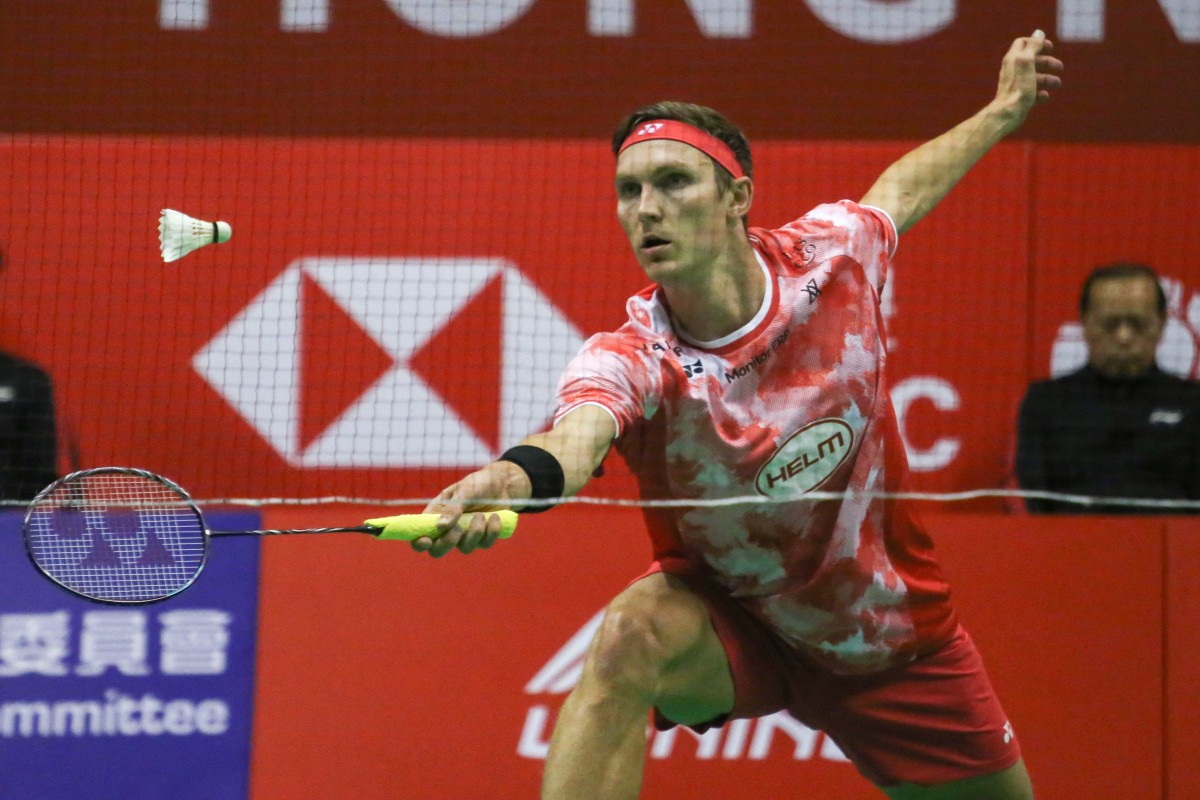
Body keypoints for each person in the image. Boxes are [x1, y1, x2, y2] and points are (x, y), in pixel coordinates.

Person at [411, 31, 1063, 799]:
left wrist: (1004, 109)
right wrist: (507, 481)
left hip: (887, 639)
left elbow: (904, 191)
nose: (647, 209)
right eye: (629, 190)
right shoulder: (633, 356)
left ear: (737, 195)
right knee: (628, 637)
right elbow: (575, 439)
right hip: (736, 624)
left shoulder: (833, 259)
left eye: (673, 182)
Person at [1016, 262, 1200, 514]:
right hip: (1071, 538)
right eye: (1109, 323)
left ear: (1161, 324)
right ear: (1085, 323)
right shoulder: (1046, 403)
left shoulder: (1193, 404)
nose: (1124, 337)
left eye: (1137, 323)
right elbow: (1035, 499)